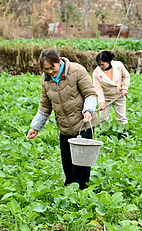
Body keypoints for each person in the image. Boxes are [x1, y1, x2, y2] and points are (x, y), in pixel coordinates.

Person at [26, 48, 98, 189]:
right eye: (45, 70)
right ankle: (69, 193)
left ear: (59, 61)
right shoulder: (46, 80)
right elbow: (45, 106)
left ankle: (81, 194)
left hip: (83, 124)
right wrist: (35, 127)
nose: (50, 72)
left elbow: (90, 94)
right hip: (64, 127)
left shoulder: (77, 71)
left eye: (52, 68)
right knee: (68, 164)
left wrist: (89, 110)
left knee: (81, 166)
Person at [91, 50, 131, 125]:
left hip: (119, 95)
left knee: (121, 118)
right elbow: (98, 89)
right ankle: (104, 133)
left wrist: (124, 88)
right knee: (103, 119)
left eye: (102, 64)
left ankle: (123, 133)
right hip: (106, 97)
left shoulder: (119, 65)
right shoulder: (96, 72)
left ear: (108, 61)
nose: (101, 67)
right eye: (99, 65)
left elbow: (126, 76)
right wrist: (101, 102)